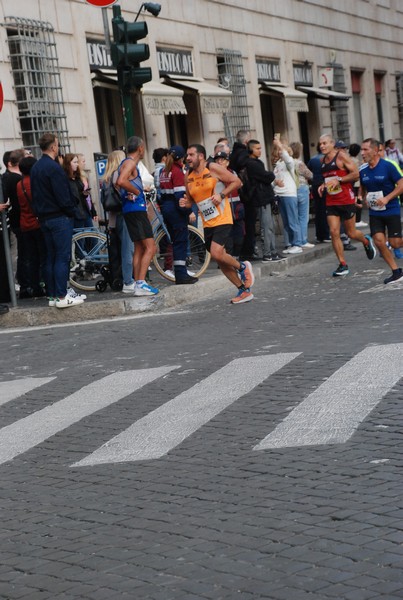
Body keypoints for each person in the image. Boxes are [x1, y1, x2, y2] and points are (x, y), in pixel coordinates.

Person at [181, 144, 254, 304]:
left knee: (216, 252)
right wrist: (184, 203)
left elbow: (237, 182)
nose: (188, 158)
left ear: (201, 156)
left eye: (191, 155)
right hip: (207, 221)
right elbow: (191, 200)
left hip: (223, 217)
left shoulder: (212, 167)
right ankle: (243, 290)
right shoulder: (188, 175)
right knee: (220, 259)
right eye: (187, 155)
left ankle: (242, 267)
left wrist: (221, 195)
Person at [30, 132, 84, 308]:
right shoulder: (54, 168)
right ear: (53, 147)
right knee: (62, 257)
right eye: (57, 144)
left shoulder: (36, 167)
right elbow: (62, 196)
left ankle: (53, 296)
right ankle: (61, 296)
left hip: (44, 217)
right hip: (59, 217)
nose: (58, 147)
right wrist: (72, 211)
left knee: (50, 257)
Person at [318, 134, 376, 276]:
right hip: (331, 201)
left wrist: (339, 180)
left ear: (332, 144)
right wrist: (323, 185)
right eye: (320, 144)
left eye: (325, 143)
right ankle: (342, 264)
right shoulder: (322, 160)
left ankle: (366, 241)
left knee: (351, 232)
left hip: (346, 199)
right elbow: (328, 179)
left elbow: (356, 174)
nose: (322, 146)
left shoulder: (341, 156)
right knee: (334, 232)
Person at [117, 136, 158, 296]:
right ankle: (141, 283)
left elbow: (118, 183)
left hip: (130, 210)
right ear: (140, 148)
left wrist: (133, 191)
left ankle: (137, 282)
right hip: (136, 210)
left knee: (140, 247)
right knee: (151, 247)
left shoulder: (124, 163)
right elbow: (121, 181)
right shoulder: (130, 163)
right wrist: (136, 191)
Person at [360, 138, 403, 284]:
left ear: (375, 150)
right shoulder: (363, 170)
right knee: (379, 241)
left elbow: (401, 186)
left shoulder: (389, 166)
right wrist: (361, 197)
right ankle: (396, 272)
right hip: (375, 212)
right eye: (361, 150)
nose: (362, 153)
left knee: (395, 243)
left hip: (391, 209)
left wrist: (387, 198)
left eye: (365, 150)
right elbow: (363, 187)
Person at [159, 145, 198, 285]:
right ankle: (181, 274)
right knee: (181, 242)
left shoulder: (163, 172)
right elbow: (180, 197)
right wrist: (189, 211)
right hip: (176, 211)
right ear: (181, 158)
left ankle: (180, 273)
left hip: (166, 209)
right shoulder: (177, 172)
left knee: (175, 242)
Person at [102, 149, 135, 293]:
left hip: (113, 219)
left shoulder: (106, 178)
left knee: (118, 250)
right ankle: (129, 280)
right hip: (122, 215)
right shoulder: (118, 175)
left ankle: (120, 278)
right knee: (128, 249)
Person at [245, 140, 283, 262]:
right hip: (261, 198)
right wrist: (270, 175)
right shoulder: (252, 164)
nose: (260, 151)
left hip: (265, 198)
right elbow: (267, 176)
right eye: (257, 148)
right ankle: (267, 253)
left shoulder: (257, 162)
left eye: (260, 148)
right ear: (250, 150)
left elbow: (267, 176)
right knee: (266, 227)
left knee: (270, 226)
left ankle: (272, 251)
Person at [15, 156, 47, 298]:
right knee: (44, 256)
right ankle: (45, 284)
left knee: (32, 258)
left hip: (25, 224)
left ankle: (34, 287)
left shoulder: (19, 184)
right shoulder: (35, 182)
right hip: (38, 223)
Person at [272, 138, 303, 254]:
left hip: (289, 194)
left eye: (282, 151)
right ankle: (291, 243)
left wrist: (280, 145)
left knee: (292, 220)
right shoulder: (278, 165)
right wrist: (275, 184)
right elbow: (274, 179)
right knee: (286, 221)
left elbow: (287, 159)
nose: (280, 152)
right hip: (280, 195)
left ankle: (297, 243)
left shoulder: (290, 163)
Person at [214, 150, 245, 261]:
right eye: (217, 160)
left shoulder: (232, 172)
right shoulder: (213, 175)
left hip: (236, 207)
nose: (219, 162)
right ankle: (227, 258)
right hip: (223, 208)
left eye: (221, 160)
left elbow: (239, 184)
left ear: (227, 162)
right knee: (226, 236)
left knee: (239, 234)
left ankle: (236, 256)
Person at [290, 141, 314, 248]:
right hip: (302, 189)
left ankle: (296, 240)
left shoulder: (288, 162)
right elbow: (310, 175)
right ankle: (303, 240)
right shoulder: (299, 163)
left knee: (294, 217)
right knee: (303, 217)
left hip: (292, 190)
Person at [63, 154, 96, 229]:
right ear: (68, 163)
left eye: (77, 162)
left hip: (85, 211)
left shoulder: (77, 177)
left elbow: (81, 193)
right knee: (81, 238)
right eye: (75, 162)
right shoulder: (65, 179)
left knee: (92, 235)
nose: (77, 164)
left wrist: (84, 194)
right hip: (76, 214)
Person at [308, 143, 330, 244]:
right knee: (326, 211)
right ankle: (326, 234)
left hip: (315, 185)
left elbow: (309, 173)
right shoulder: (326, 159)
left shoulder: (313, 159)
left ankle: (319, 235)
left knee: (318, 211)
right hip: (325, 185)